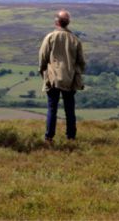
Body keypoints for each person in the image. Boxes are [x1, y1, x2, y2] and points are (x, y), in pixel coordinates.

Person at [38, 9, 86, 142]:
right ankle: (71, 137)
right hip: (70, 79)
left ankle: (49, 137)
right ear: (68, 23)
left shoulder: (50, 38)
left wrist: (42, 71)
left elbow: (43, 58)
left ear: (56, 21)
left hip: (53, 78)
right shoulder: (75, 40)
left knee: (52, 108)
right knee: (69, 109)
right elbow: (81, 61)